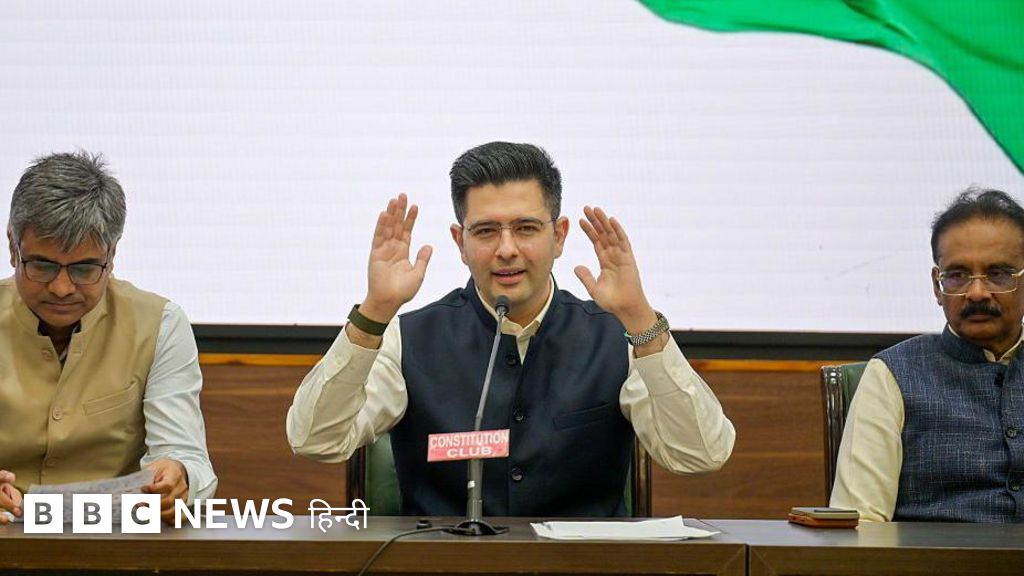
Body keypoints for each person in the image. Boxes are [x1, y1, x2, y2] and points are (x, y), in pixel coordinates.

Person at [288, 141, 734, 516]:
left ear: (559, 236)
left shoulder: (619, 338)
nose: (506, 249)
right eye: (485, 231)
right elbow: (315, 441)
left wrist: (641, 321)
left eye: (525, 228)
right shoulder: (408, 338)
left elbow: (701, 455)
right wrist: (374, 313)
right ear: (460, 243)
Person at [0, 152, 216, 525]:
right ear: (12, 249)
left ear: (111, 255)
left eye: (84, 268)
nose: (62, 288)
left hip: (115, 539)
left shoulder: (159, 324)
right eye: (42, 265)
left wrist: (177, 477)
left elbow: (188, 458)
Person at [831, 188, 1024, 523]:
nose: (977, 292)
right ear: (937, 286)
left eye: (998, 274)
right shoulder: (892, 374)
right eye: (958, 275)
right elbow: (861, 523)